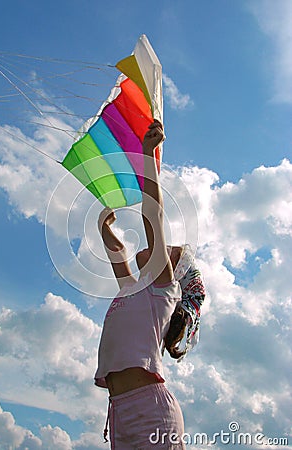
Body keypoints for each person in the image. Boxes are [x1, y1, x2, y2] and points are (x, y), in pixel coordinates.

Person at [95, 120, 205, 449]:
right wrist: (105, 228)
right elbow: (118, 255)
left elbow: (152, 216)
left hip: (150, 412)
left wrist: (148, 153)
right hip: (120, 413)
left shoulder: (162, 289)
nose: (162, 247)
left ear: (172, 269)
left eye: (169, 250)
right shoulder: (133, 288)